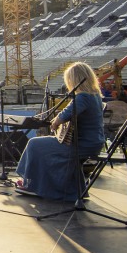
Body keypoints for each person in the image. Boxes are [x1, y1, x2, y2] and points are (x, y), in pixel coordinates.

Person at [16, 62, 107, 200]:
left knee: (35, 144)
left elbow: (65, 115)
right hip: (93, 143)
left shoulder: (83, 97)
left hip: (81, 145)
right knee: (43, 144)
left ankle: (30, 184)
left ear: (75, 80)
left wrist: (56, 121)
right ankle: (42, 184)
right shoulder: (95, 96)